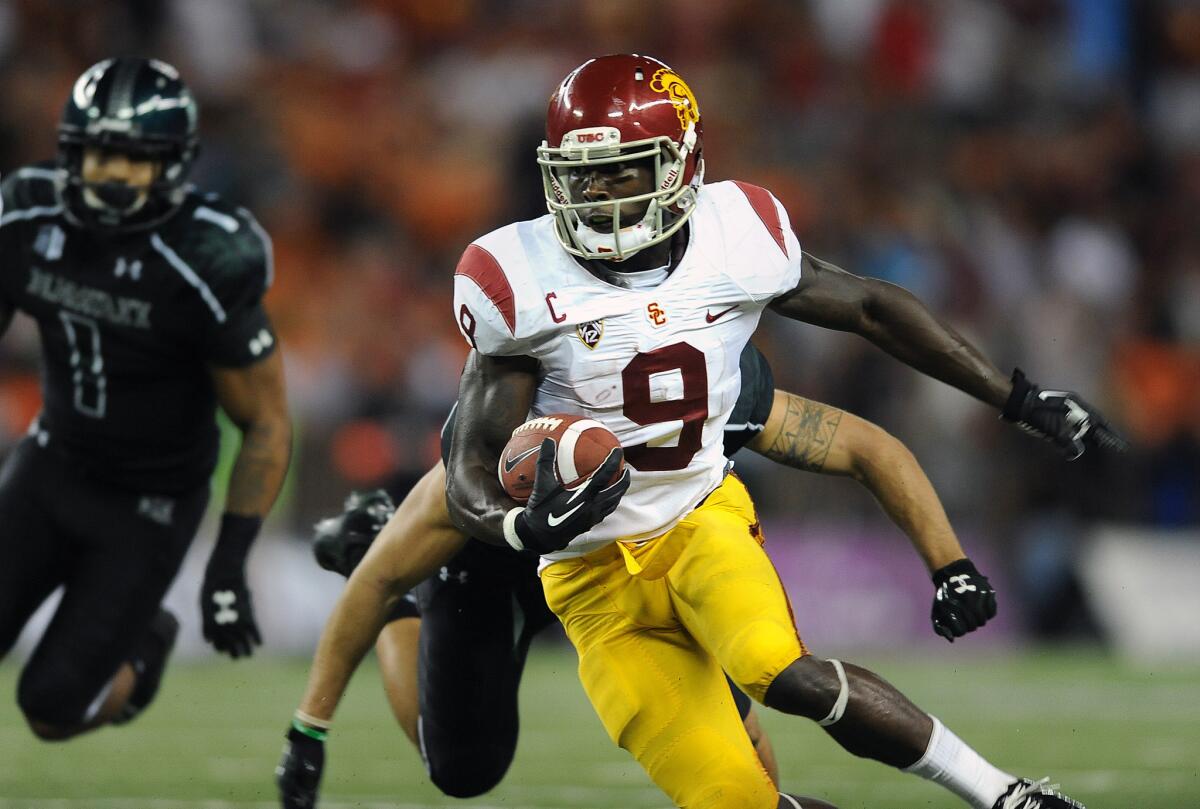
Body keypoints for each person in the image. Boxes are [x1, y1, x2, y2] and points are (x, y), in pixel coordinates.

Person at [436, 54, 1123, 808]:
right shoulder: (518, 279)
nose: (594, 194)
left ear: (680, 165)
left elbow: (872, 309)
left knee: (779, 668)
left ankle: (1006, 795)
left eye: (620, 171)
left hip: (701, 519)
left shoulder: (736, 238)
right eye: (580, 174)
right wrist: (519, 527)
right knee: (736, 799)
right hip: (588, 581)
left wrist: (1016, 397)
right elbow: (466, 463)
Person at [276, 343, 991, 809]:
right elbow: (369, 583)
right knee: (463, 768)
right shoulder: (483, 465)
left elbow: (865, 445)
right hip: (493, 564)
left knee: (752, 767)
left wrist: (950, 562)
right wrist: (310, 728)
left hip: (631, 567)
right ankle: (409, 586)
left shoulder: (695, 394)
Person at [0, 57, 290, 741]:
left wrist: (227, 564)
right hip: (51, 465)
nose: (113, 173)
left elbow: (266, 423)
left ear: (176, 165)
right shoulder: (25, 215)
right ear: (71, 150)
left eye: (135, 158)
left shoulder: (205, 256)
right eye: (101, 151)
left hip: (149, 504)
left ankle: (145, 640)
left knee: (51, 707)